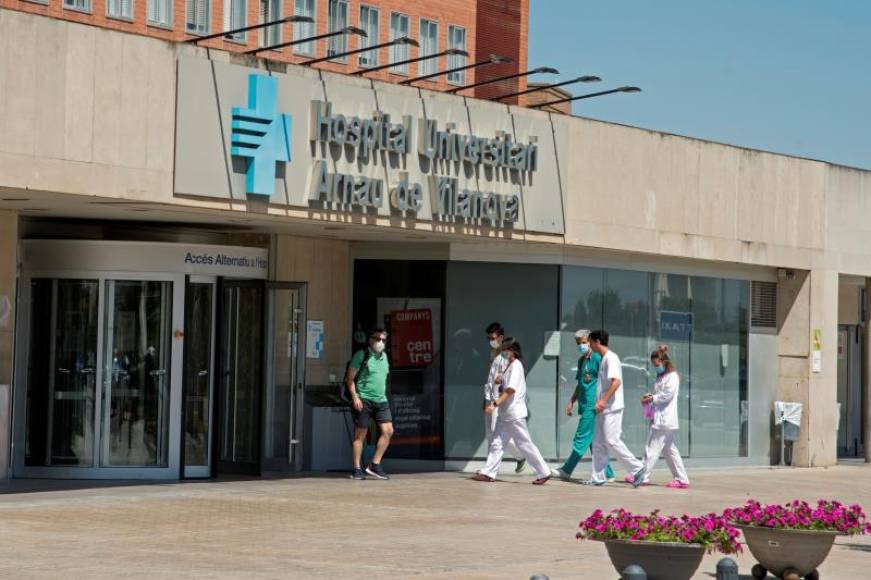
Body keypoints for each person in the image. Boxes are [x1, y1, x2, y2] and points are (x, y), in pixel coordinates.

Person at [473, 340, 551, 485]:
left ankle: (544, 472)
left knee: (524, 444)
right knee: (497, 443)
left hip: (514, 413)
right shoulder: (507, 366)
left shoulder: (516, 365)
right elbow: (504, 386)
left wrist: (494, 404)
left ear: (513, 351)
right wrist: (498, 381)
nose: (503, 352)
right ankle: (488, 473)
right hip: (505, 414)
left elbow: (511, 390)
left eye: (505, 350)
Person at [551, 330, 614, 482]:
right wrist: (572, 401)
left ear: (590, 341)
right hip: (584, 403)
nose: (581, 345)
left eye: (584, 342)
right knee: (592, 441)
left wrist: (604, 401)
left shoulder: (598, 358)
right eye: (578, 343)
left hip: (593, 405)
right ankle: (608, 473)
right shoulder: (581, 361)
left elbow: (608, 380)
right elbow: (580, 384)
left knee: (581, 437)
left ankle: (567, 470)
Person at [582, 329, 643, 486]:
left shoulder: (611, 358)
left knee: (611, 440)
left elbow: (616, 382)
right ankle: (598, 477)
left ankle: (637, 468)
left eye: (590, 342)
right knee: (598, 443)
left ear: (597, 342)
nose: (589, 345)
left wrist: (603, 400)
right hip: (602, 409)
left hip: (611, 408)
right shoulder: (603, 359)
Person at [632, 345, 690, 489]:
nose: (656, 367)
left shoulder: (672, 376)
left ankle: (642, 476)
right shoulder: (662, 376)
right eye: (654, 365)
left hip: (665, 419)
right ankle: (682, 479)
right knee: (670, 451)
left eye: (657, 364)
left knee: (651, 448)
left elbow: (667, 395)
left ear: (664, 362)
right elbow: (660, 395)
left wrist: (653, 398)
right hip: (661, 418)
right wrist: (651, 398)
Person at [345, 328, 393, 480]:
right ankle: (357, 469)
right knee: (360, 435)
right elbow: (349, 379)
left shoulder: (384, 357)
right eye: (377, 339)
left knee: (388, 431)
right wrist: (355, 397)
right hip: (364, 400)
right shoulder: (361, 355)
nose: (380, 342)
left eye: (383, 340)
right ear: (370, 340)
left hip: (381, 400)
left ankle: (374, 465)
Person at [483, 322, 526, 474]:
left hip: (500, 400)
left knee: (496, 433)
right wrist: (486, 399)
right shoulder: (493, 353)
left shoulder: (506, 355)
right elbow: (490, 379)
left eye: (493, 338)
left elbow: (506, 380)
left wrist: (497, 401)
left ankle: (520, 456)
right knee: (490, 434)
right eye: (488, 338)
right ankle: (490, 467)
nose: (491, 341)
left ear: (500, 337)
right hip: (491, 398)